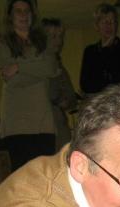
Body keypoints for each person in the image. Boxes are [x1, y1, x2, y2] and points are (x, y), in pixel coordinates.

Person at [0, 0, 59, 172]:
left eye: (27, 11)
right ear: (10, 16)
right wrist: (38, 68)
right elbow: (14, 81)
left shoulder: (44, 42)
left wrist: (18, 67)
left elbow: (50, 68)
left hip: (43, 122)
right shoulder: (0, 45)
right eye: (18, 11)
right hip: (16, 124)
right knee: (22, 178)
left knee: (44, 177)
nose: (23, 15)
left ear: (33, 15)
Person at [42, 17, 78, 152]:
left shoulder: (59, 66)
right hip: (45, 129)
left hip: (60, 127)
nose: (58, 41)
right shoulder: (38, 66)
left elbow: (71, 98)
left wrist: (67, 101)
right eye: (53, 36)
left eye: (60, 36)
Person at [79, 3, 120, 95]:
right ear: (97, 26)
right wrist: (104, 50)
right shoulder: (90, 51)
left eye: (112, 22)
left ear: (116, 25)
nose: (108, 26)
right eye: (104, 22)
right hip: (100, 101)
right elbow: (85, 85)